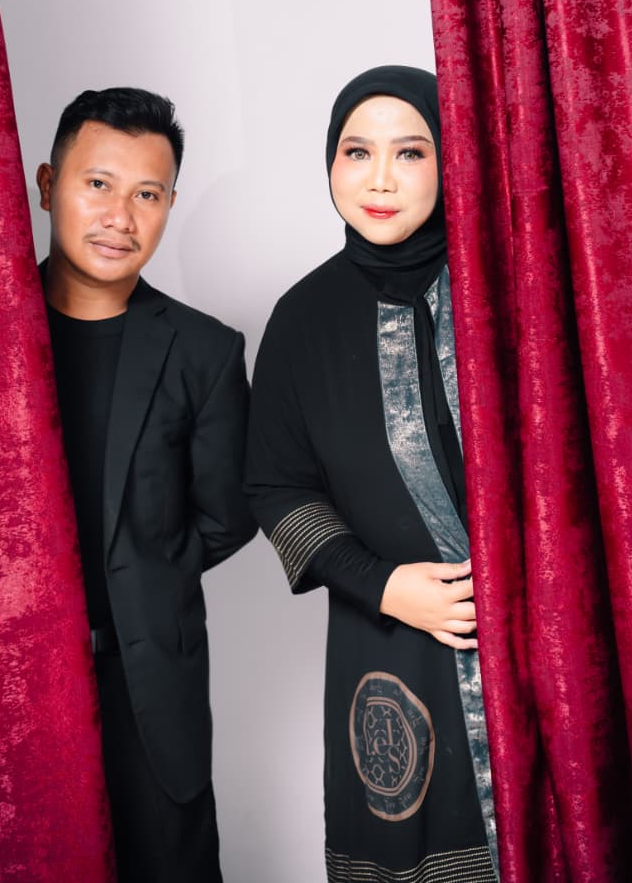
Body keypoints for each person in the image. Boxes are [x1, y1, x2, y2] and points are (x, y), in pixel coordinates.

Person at [245, 66, 499, 883]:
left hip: (537, 627)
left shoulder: (510, 285)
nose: (379, 179)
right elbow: (276, 487)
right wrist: (385, 587)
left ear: (450, 161)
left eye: (410, 152)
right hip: (388, 640)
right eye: (356, 152)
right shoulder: (301, 318)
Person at [36, 86, 256, 882]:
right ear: (47, 185)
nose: (119, 217)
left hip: (151, 688)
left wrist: (146, 575)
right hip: (15, 687)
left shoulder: (204, 351)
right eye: (98, 184)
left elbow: (228, 514)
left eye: (148, 195)